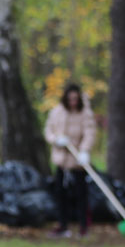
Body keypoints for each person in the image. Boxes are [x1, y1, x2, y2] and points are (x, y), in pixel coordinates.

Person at [44, 83, 96, 237]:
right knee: (60, 194)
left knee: (81, 195)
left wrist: (85, 150)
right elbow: (48, 130)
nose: (73, 102)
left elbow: (90, 132)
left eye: (75, 99)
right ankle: (62, 225)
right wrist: (56, 140)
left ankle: (83, 227)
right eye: (70, 99)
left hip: (78, 162)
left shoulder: (85, 113)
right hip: (62, 160)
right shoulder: (57, 112)